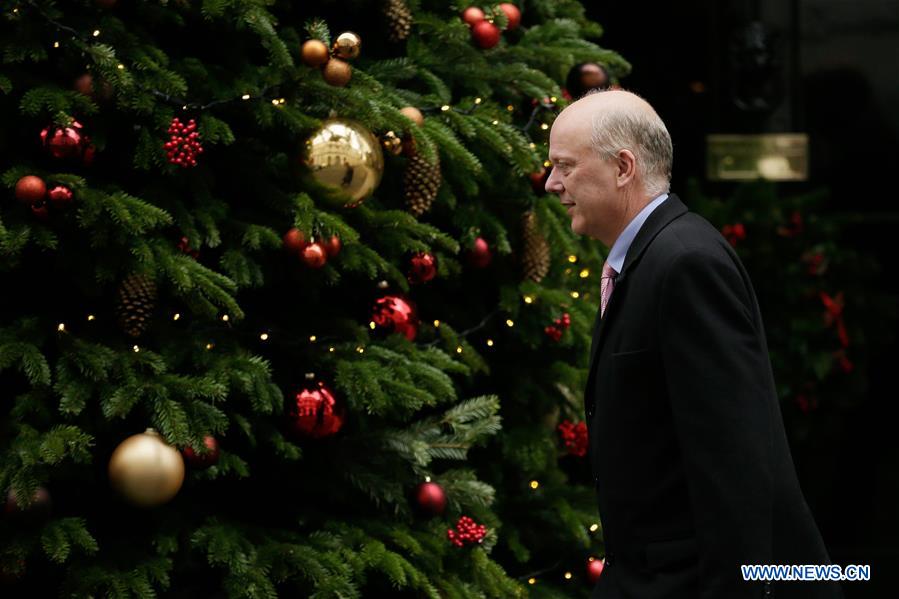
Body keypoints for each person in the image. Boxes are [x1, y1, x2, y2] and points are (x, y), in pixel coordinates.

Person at [544, 89, 843, 599]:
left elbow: (734, 460)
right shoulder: (652, 256)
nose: (551, 183)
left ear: (623, 167)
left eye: (565, 166)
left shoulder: (685, 262)